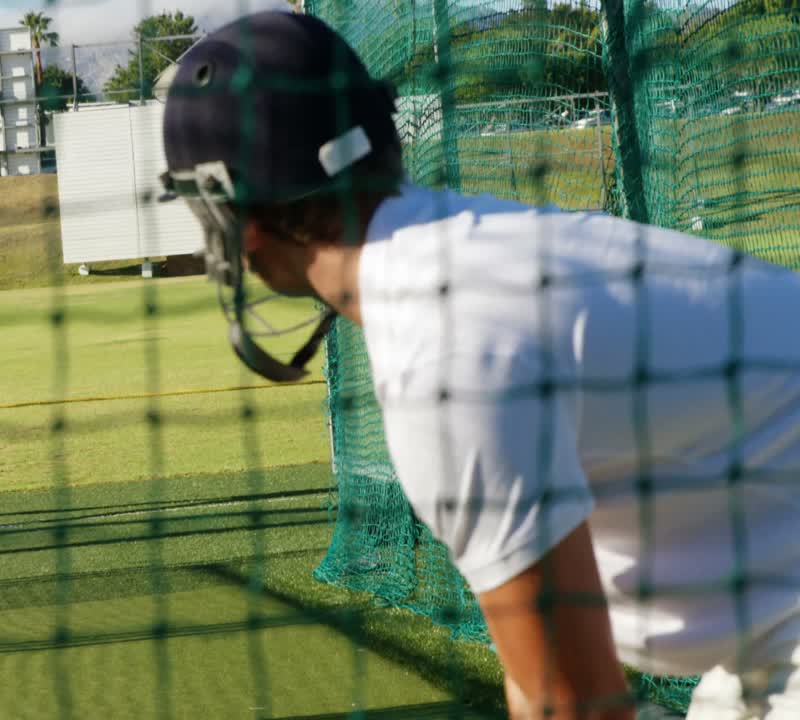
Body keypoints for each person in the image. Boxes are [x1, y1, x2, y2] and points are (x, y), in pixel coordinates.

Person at [161, 11, 800, 720]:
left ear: (239, 227)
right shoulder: (470, 257)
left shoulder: (441, 354)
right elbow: (542, 681)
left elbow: (574, 706)